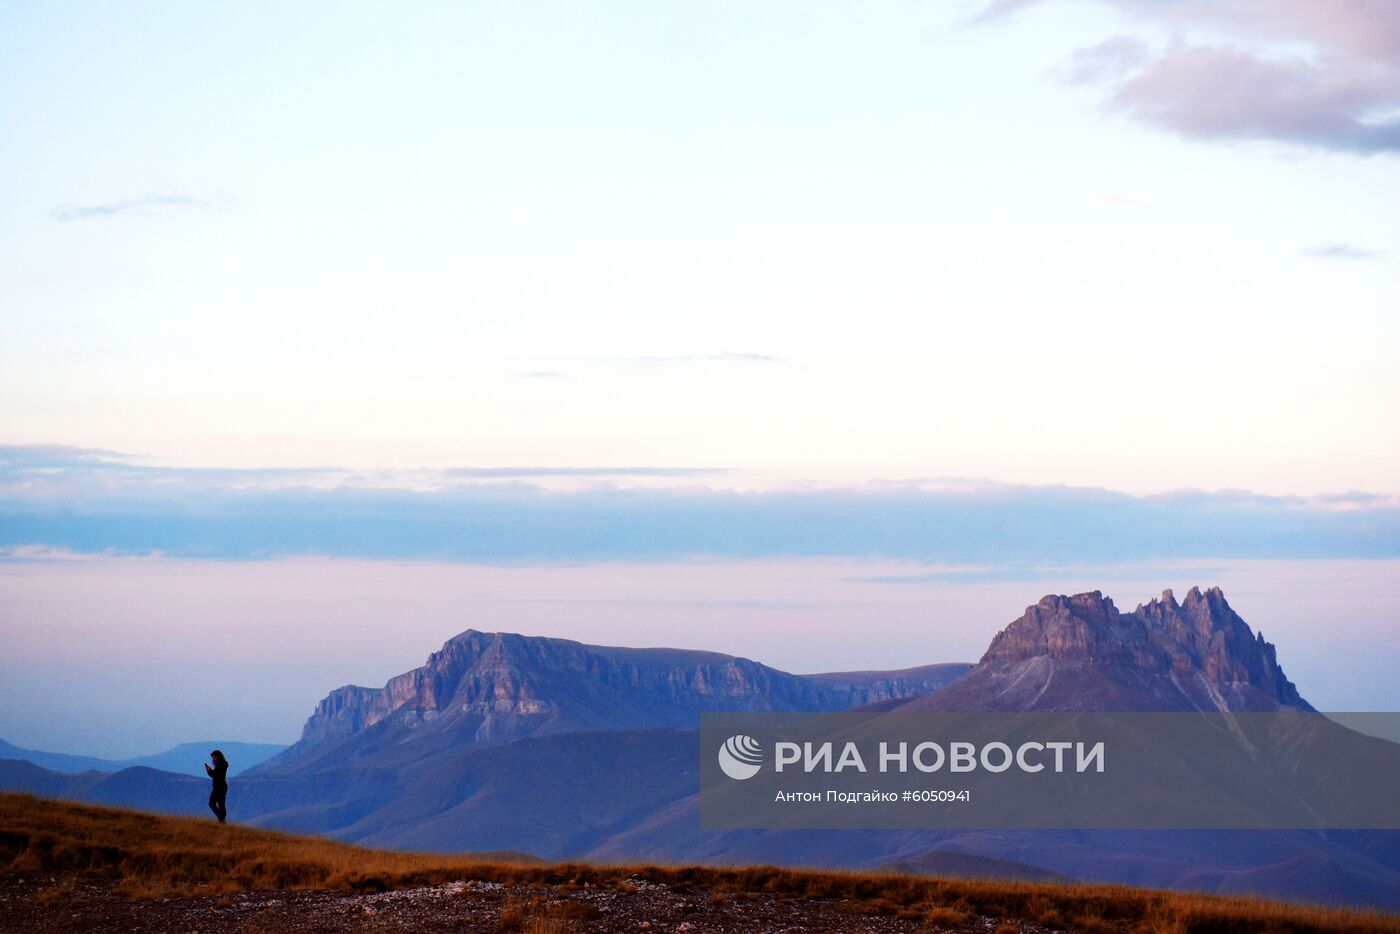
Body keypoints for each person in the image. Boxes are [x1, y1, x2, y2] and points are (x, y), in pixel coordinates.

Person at [205, 749, 229, 823]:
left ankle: (221, 819)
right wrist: (210, 771)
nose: (213, 759)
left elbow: (216, 775)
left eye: (214, 757)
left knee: (214, 803)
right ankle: (221, 820)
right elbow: (215, 774)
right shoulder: (221, 764)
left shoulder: (221, 764)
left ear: (218, 756)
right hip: (219, 787)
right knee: (220, 804)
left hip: (220, 787)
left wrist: (209, 771)